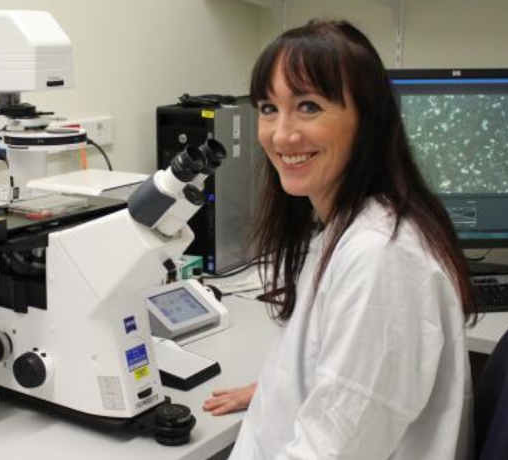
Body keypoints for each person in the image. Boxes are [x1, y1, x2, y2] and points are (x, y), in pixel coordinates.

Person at [202, 20, 476, 460]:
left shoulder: (379, 257)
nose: (281, 134)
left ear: (367, 119)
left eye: (308, 106)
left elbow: (330, 451)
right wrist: (282, 387)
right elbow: (355, 388)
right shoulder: (347, 227)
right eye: (269, 108)